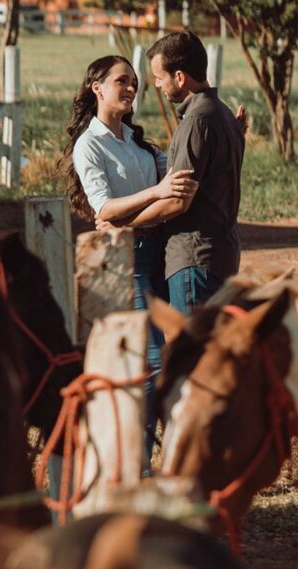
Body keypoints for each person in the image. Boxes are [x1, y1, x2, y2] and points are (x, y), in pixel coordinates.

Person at [65, 54, 195, 474]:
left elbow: (178, 175)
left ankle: (168, 457)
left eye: (134, 82)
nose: (131, 88)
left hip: (162, 253)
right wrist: (156, 192)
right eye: (122, 81)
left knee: (175, 357)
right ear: (97, 88)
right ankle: (136, 465)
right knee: (150, 361)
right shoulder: (90, 145)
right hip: (128, 261)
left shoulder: (138, 143)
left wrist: (230, 136)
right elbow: (104, 208)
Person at [142, 29, 245, 315]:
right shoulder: (223, 113)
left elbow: (178, 201)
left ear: (179, 77)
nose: (157, 85)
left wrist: (126, 222)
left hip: (194, 258)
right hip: (222, 254)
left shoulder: (196, 122)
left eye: (160, 77)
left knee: (191, 341)